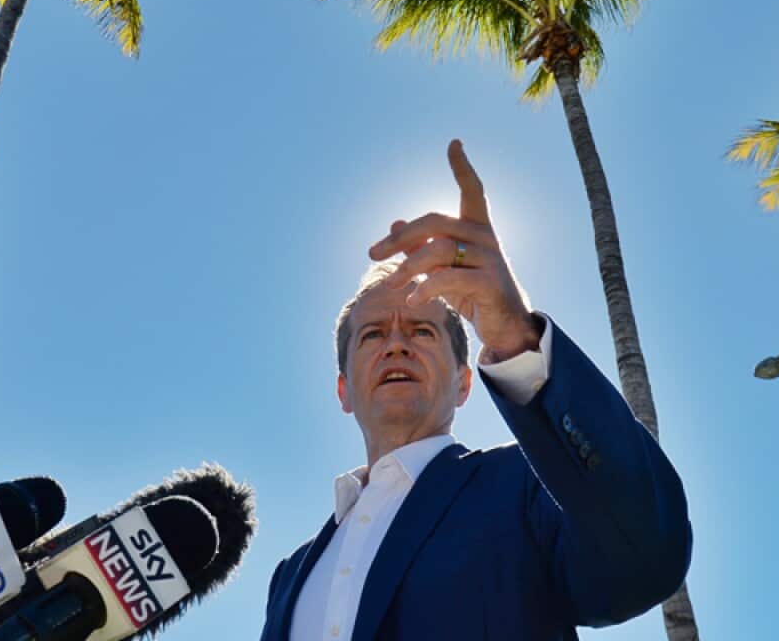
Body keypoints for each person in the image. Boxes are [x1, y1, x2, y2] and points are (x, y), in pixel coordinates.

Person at [259, 140, 691, 641]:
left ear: (465, 381)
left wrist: (513, 331)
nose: (396, 345)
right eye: (373, 334)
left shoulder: (528, 486)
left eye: (422, 331)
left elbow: (644, 556)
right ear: (343, 390)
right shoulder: (289, 577)